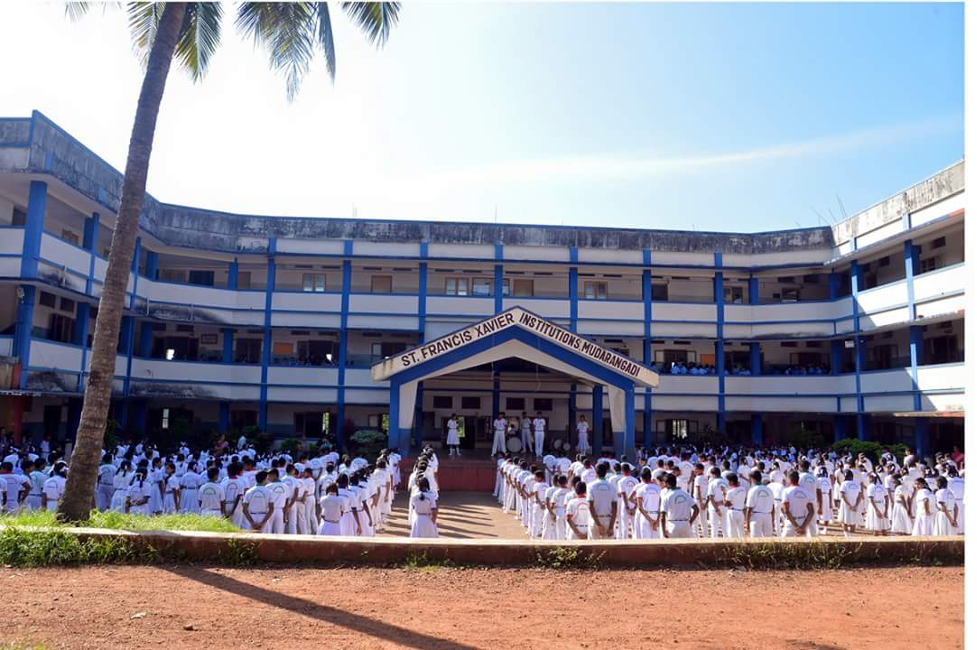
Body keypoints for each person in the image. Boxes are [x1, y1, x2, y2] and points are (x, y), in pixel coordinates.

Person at [659, 472, 699, 539]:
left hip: (673, 525)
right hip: (686, 524)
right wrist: (690, 521)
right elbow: (696, 509)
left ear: (667, 484)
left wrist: (663, 532)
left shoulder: (667, 496)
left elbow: (662, 516)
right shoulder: (685, 494)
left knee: (672, 548)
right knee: (686, 548)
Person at [587, 462, 617, 539]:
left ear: (596, 473)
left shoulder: (590, 486)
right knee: (608, 549)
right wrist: (611, 526)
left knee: (594, 549)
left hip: (595, 520)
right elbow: (614, 508)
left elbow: (590, 507)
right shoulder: (612, 487)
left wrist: (598, 525)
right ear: (606, 472)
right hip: (608, 520)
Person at [781, 471, 815, 537]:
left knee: (784, 544)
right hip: (803, 521)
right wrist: (803, 527)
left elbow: (786, 511)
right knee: (801, 546)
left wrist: (796, 527)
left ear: (789, 479)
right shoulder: (806, 492)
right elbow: (811, 512)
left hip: (791, 522)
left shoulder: (786, 491)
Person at [744, 471, 775, 537]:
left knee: (755, 540)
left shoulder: (752, 490)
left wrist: (747, 524)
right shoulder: (769, 490)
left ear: (753, 479)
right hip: (768, 516)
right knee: (768, 539)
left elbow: (749, 509)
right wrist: (772, 520)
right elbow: (773, 507)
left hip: (756, 517)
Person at [633, 467, 661, 539]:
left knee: (646, 542)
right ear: (651, 476)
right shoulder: (658, 488)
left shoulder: (640, 489)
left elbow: (640, 507)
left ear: (641, 478)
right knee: (656, 542)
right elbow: (660, 505)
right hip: (656, 515)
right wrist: (657, 520)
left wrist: (650, 521)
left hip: (645, 517)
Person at [838, 470, 862, 537]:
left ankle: (847, 536)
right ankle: (852, 536)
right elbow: (860, 495)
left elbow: (842, 495)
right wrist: (856, 505)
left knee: (845, 519)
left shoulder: (844, 483)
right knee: (853, 520)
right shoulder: (857, 484)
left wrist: (849, 505)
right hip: (855, 503)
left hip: (846, 503)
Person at [724, 474, 746, 538]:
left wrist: (723, 494)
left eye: (729, 481)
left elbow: (726, 504)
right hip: (740, 511)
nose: (728, 483)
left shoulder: (730, 492)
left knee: (732, 530)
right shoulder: (743, 489)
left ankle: (733, 545)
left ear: (732, 482)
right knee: (741, 531)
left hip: (732, 512)